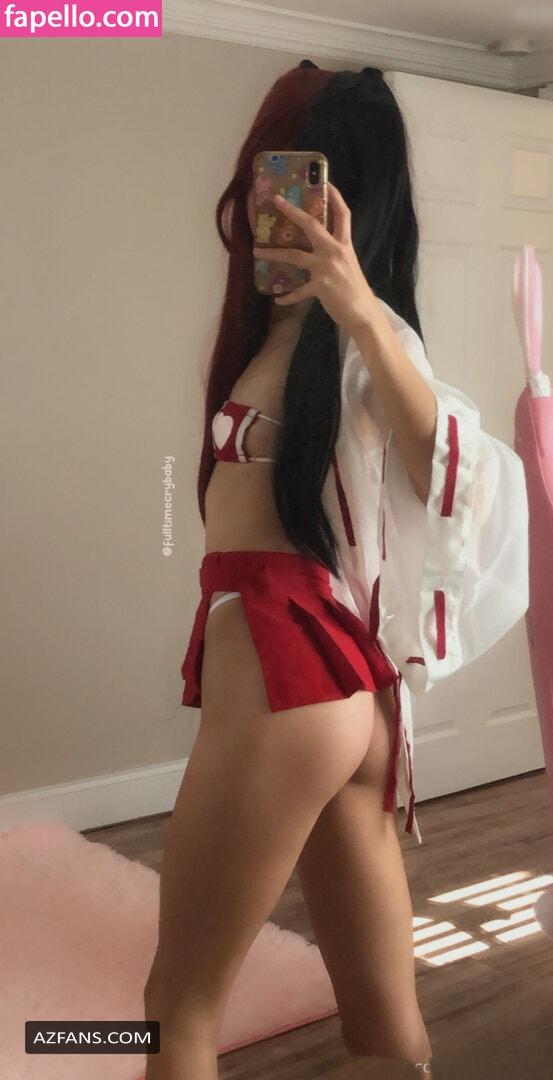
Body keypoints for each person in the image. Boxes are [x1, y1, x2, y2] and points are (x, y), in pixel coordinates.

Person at [143, 61, 529, 1080]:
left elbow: (452, 468)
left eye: (295, 184)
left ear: (350, 200)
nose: (269, 205)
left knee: (175, 1010)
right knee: (383, 1031)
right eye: (265, 180)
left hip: (286, 675)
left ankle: (76, 1047)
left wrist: (359, 310)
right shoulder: (284, 334)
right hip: (333, 692)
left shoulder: (365, 343)